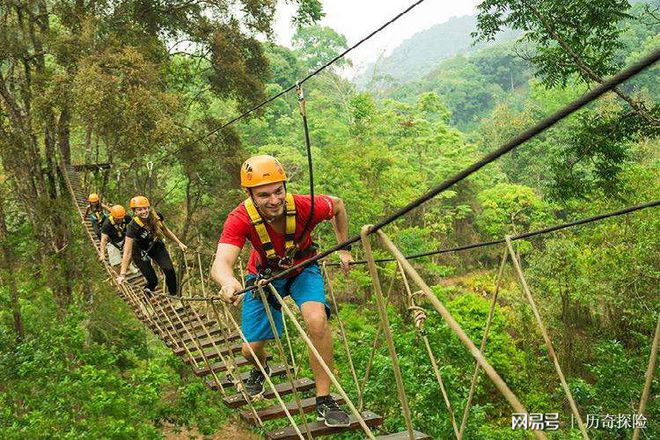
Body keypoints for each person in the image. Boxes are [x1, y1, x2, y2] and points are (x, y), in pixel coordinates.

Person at [210, 154, 353, 428]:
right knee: (250, 350)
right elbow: (221, 263)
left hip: (303, 268)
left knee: (317, 320)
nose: (274, 200)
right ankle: (261, 366)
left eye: (279, 191)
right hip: (264, 278)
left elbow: (337, 205)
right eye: (264, 195)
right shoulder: (240, 218)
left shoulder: (303, 206)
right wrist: (227, 282)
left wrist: (344, 247)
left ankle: (324, 399)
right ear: (249, 194)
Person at [116, 196, 188, 297]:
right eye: (139, 209)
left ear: (149, 208)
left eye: (145, 208)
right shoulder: (132, 227)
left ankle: (173, 295)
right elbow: (127, 252)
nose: (144, 211)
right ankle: (146, 300)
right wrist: (122, 274)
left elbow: (165, 230)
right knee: (153, 281)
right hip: (139, 252)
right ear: (135, 212)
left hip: (155, 245)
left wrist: (179, 243)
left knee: (169, 269)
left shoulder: (156, 216)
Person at [99, 205, 132, 274]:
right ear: (113, 216)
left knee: (131, 255)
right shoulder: (107, 224)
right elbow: (103, 240)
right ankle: (116, 275)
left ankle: (124, 269)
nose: (120, 220)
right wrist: (102, 253)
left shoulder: (127, 218)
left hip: (124, 240)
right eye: (117, 218)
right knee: (116, 263)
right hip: (112, 242)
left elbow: (133, 226)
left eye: (121, 218)